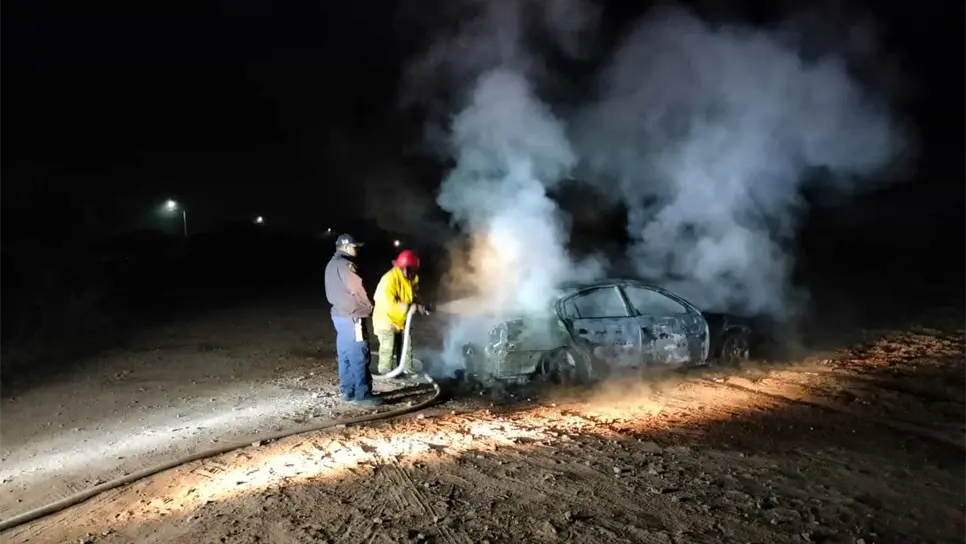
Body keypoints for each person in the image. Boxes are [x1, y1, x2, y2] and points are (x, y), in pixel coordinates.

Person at [324, 233, 383, 406]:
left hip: (339, 315)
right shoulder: (346, 265)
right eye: (355, 247)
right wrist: (369, 307)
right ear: (346, 247)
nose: (357, 250)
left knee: (345, 355)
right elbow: (358, 289)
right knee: (359, 353)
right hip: (353, 316)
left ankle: (347, 392)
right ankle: (363, 395)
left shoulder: (331, 264)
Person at [373, 249, 427, 376]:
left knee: (406, 346)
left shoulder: (412, 279)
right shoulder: (389, 279)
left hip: (402, 319)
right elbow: (389, 304)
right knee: (388, 347)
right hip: (386, 319)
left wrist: (423, 305)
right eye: (407, 269)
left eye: (412, 269)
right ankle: (386, 374)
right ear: (401, 267)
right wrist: (409, 307)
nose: (410, 272)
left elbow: (415, 295)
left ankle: (407, 370)